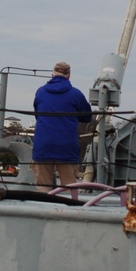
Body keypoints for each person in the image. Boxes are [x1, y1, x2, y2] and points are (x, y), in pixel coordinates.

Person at [31, 61, 92, 190]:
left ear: (52, 74)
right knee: (70, 188)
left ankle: (42, 208)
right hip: (67, 146)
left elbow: (38, 114)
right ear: (69, 76)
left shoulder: (40, 92)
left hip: (43, 144)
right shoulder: (76, 94)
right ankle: (70, 208)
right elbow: (87, 117)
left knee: (43, 189)